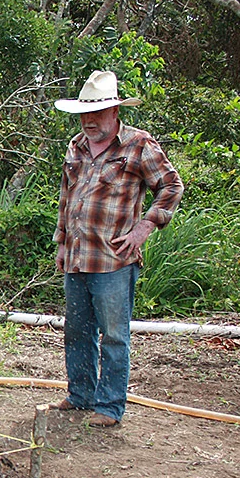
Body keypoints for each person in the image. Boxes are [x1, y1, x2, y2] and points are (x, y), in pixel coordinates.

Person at [53, 71, 183, 428]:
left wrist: (146, 226)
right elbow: (67, 198)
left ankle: (109, 407)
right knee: (77, 330)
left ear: (115, 112)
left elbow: (171, 185)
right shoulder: (76, 145)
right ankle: (80, 395)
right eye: (85, 113)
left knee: (113, 335)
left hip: (114, 258)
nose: (90, 120)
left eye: (98, 113)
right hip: (78, 256)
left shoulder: (138, 145)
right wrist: (62, 242)